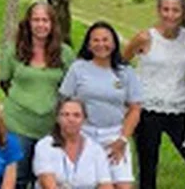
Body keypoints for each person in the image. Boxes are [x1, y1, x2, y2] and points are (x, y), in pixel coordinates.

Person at [123, 0, 185, 189]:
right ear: (158, 10)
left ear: (184, 13)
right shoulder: (144, 38)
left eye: (176, 10)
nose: (170, 15)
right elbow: (121, 64)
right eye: (165, 9)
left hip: (180, 111)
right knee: (148, 176)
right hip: (147, 112)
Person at [0, 2, 74, 188]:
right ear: (28, 23)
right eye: (36, 20)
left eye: (45, 20)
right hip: (18, 125)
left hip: (51, 127)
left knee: (48, 179)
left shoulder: (65, 53)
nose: (41, 25)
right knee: (18, 178)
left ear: (52, 24)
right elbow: (4, 81)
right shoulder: (13, 50)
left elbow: (71, 88)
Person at [59, 22, 142, 189]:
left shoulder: (125, 72)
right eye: (95, 40)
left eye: (106, 40)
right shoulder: (78, 68)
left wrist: (123, 139)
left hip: (115, 134)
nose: (101, 44)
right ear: (88, 44)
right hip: (84, 133)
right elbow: (64, 101)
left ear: (114, 43)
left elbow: (135, 108)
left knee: (123, 185)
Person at [32, 98, 113, 189]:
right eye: (65, 115)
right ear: (58, 118)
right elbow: (48, 184)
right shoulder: (45, 145)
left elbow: (106, 184)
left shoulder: (96, 149)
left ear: (84, 119)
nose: (71, 119)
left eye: (76, 115)